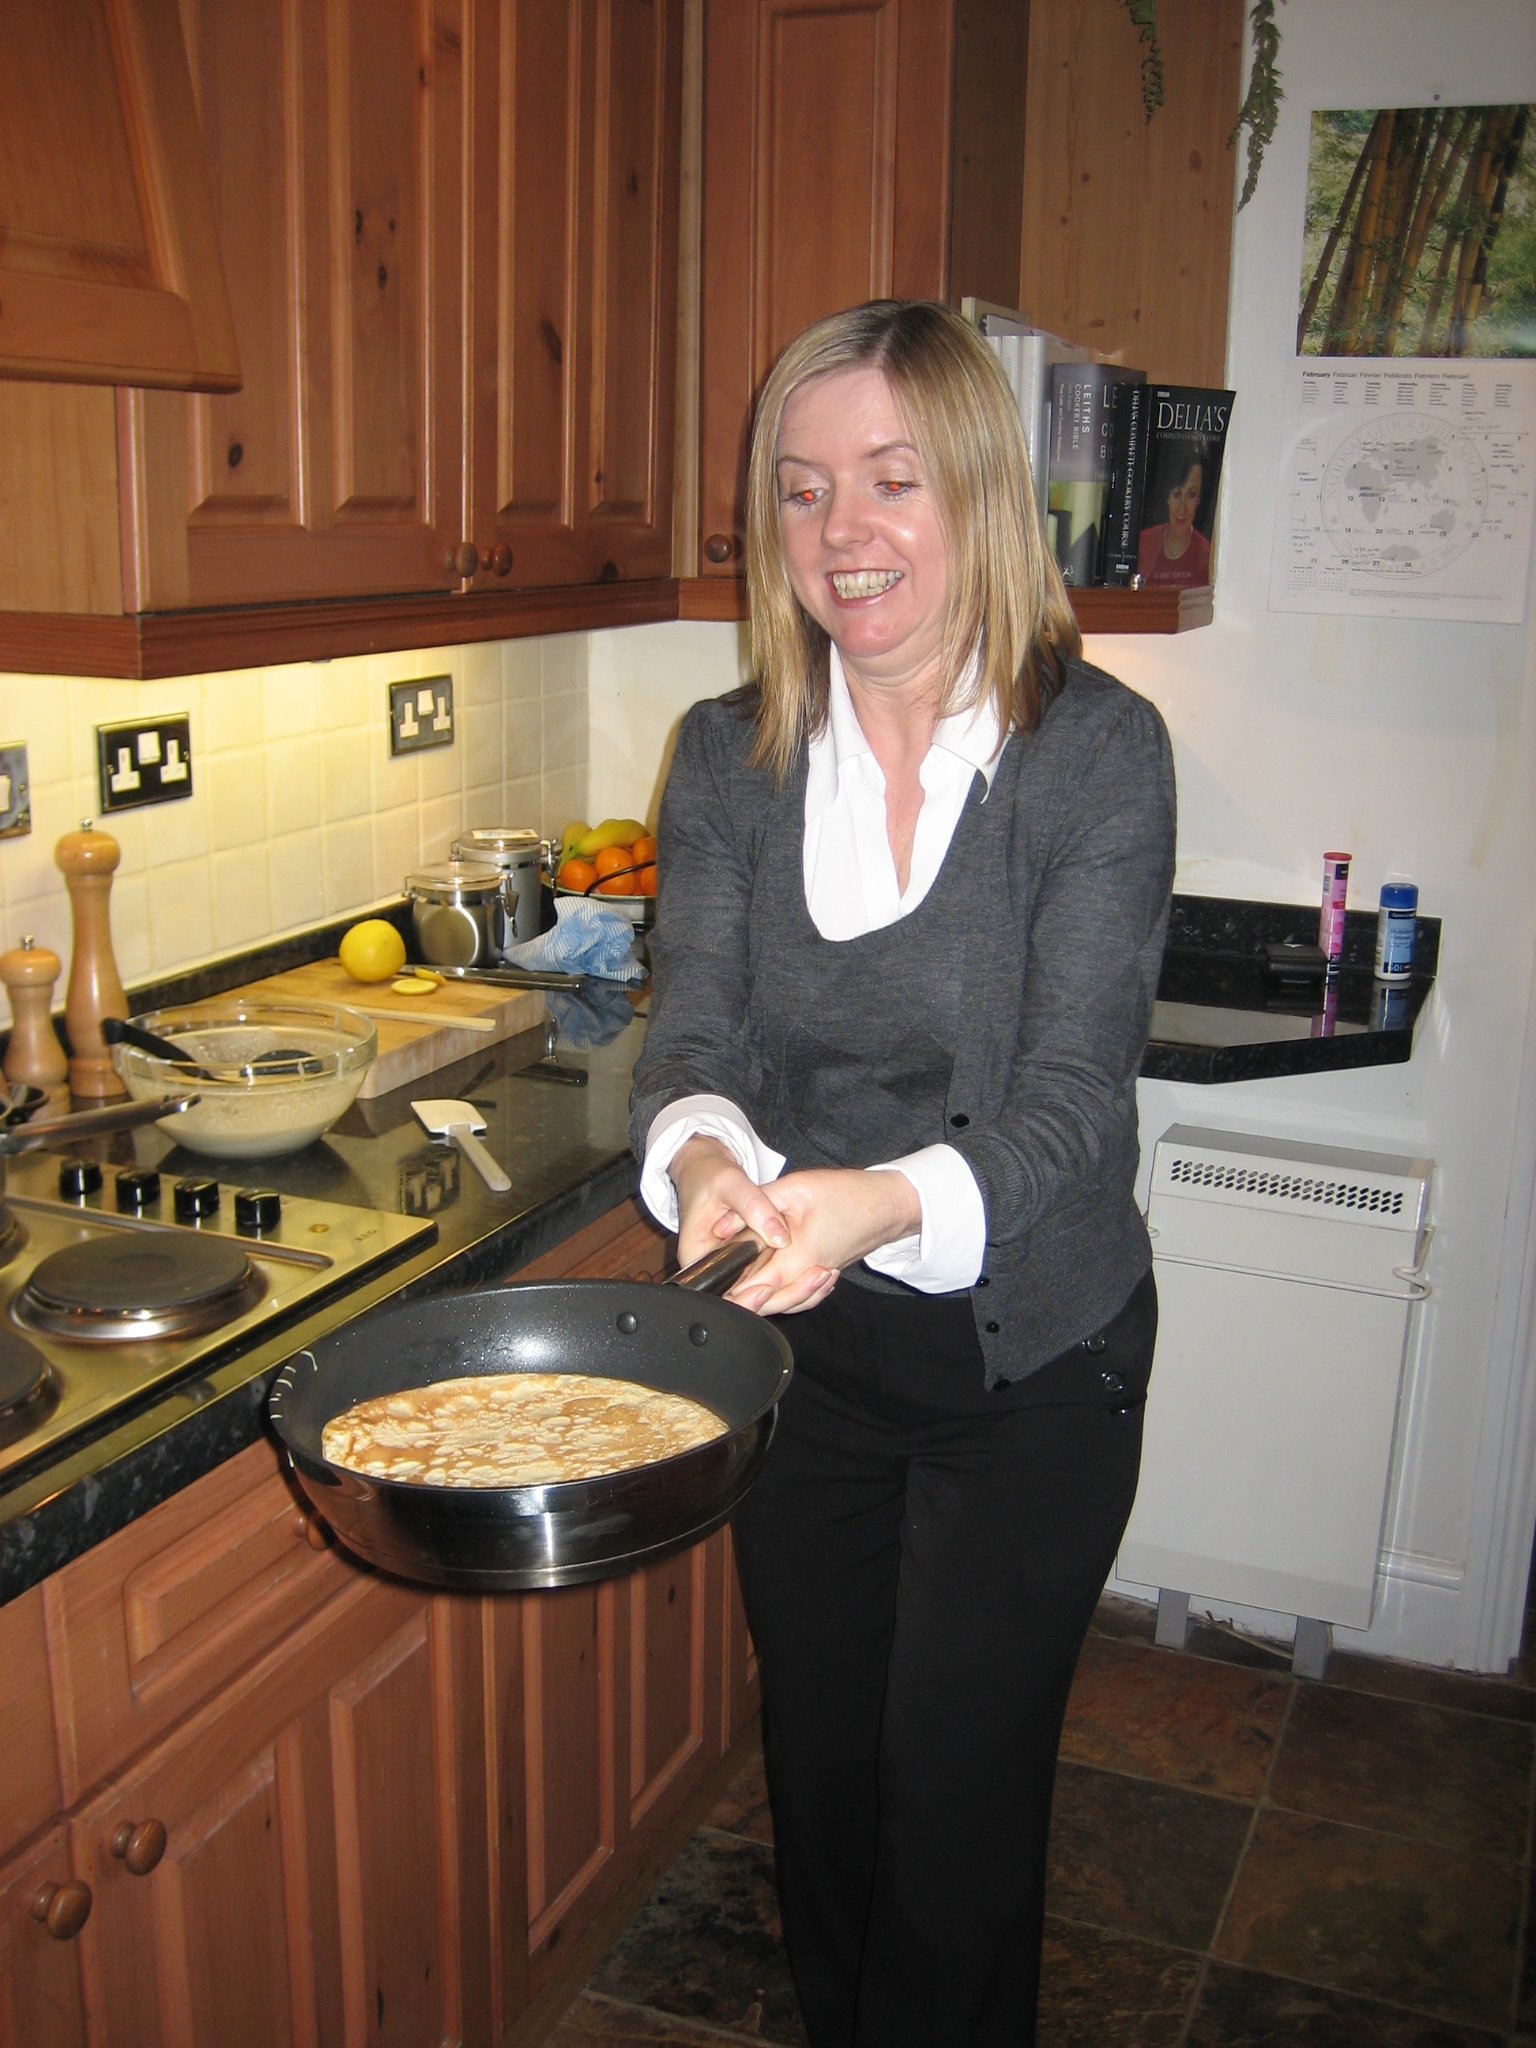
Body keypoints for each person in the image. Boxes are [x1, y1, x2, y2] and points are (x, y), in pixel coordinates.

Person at [629, 299, 1175, 2048]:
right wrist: (705, 1166)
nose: (840, 533)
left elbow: (1074, 1099)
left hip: (1032, 1362)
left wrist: (874, 1198)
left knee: (953, 1807)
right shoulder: (729, 755)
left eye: (889, 479)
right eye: (800, 491)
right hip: (808, 1354)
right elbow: (696, 1033)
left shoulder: (1095, 752)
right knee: (828, 1778)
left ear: (979, 492)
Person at [1137, 446, 1212, 587]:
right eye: (1177, 494)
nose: (1182, 509)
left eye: (1191, 495)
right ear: (1167, 497)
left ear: (1199, 499)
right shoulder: (1142, 543)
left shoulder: (1208, 556)